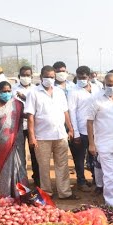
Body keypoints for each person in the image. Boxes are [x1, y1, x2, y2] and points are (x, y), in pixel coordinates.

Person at [25, 65, 78, 199]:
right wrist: (32, 136)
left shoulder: (59, 91)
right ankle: (46, 193)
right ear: (41, 77)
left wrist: (70, 128)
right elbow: (30, 116)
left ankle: (64, 192)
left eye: (52, 77)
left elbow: (65, 111)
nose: (49, 79)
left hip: (60, 134)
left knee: (63, 165)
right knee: (43, 166)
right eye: (47, 77)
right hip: (42, 136)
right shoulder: (34, 92)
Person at [87, 73, 113, 209]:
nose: (111, 87)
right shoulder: (96, 99)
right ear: (104, 84)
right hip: (103, 143)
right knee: (109, 173)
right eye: (108, 85)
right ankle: (110, 203)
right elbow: (89, 122)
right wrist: (91, 143)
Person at [0, 81, 29, 198]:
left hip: (17, 142)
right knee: (5, 170)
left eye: (9, 91)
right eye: (4, 91)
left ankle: (22, 195)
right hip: (1, 144)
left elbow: (29, 114)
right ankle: (7, 195)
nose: (7, 93)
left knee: (20, 167)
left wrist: (26, 100)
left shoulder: (17, 104)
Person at [68, 65, 101, 192]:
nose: (81, 79)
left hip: (96, 129)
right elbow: (72, 112)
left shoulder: (97, 88)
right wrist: (75, 132)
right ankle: (81, 181)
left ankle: (96, 179)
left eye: (84, 77)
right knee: (79, 158)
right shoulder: (73, 91)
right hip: (81, 129)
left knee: (95, 156)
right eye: (79, 77)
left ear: (89, 76)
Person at [12, 65, 40, 187]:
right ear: (19, 76)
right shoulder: (13, 89)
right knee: (20, 154)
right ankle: (22, 180)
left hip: (33, 127)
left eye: (28, 75)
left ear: (32, 76)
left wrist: (26, 98)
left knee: (35, 153)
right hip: (19, 126)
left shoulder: (36, 90)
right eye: (23, 75)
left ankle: (37, 179)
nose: (26, 77)